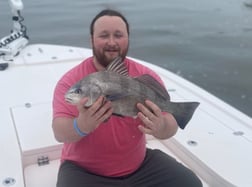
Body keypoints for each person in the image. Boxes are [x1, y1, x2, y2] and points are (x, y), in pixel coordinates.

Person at [52, 9, 202, 187]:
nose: (112, 42)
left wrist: (160, 126)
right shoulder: (73, 81)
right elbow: (59, 132)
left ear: (128, 39)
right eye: (104, 35)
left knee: (190, 183)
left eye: (118, 35)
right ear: (91, 39)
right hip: (84, 171)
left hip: (139, 167)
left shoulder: (146, 76)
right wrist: (81, 125)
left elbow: (170, 128)